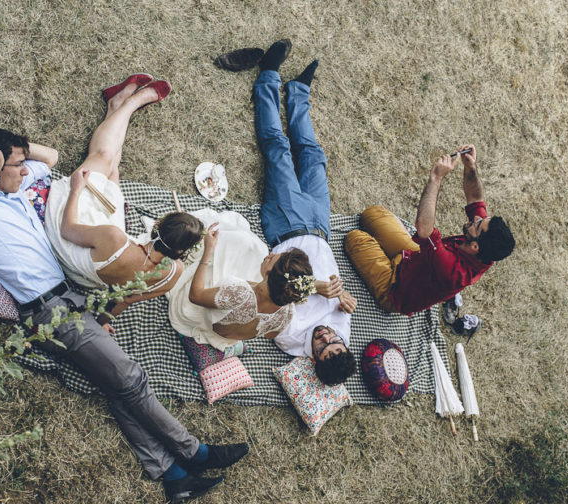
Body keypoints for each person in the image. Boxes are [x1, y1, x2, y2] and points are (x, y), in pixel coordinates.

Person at [0, 85, 248, 503]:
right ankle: (193, 450)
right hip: (47, 312)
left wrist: (20, 150)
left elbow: (47, 158)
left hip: (66, 301)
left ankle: (171, 474)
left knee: (116, 386)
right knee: (129, 377)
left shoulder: (11, 189)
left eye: (18, 163)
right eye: (15, 165)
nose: (23, 170)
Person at [42, 75, 203, 320]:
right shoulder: (173, 273)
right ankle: (116, 107)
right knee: (112, 174)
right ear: (184, 250)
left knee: (104, 156)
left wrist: (75, 189)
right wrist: (105, 321)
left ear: (157, 224)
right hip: (95, 272)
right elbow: (125, 298)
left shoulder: (115, 237)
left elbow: (67, 229)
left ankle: (130, 103)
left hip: (68, 245)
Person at [252, 41, 358, 386]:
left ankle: (267, 75)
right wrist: (344, 299)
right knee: (313, 155)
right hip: (320, 225)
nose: (327, 335)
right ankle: (298, 91)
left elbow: (271, 287)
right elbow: (340, 304)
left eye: (324, 346)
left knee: (278, 149)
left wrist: (315, 288)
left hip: (288, 228)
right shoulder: (342, 329)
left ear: (313, 359)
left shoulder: (290, 337)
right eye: (336, 341)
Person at [344, 145, 516, 316]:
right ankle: (391, 248)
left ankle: (383, 258)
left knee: (355, 238)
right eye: (482, 219)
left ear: (475, 247)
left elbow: (424, 230)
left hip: (395, 290)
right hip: (413, 257)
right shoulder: (485, 245)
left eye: (478, 224)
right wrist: (470, 166)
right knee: (373, 214)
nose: (476, 218)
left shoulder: (452, 271)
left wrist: (436, 178)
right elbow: (475, 198)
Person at [167, 207, 315, 352]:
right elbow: (270, 334)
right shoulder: (287, 313)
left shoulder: (240, 292)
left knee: (233, 241)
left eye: (272, 258)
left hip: (196, 316)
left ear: (270, 273)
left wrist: (208, 251)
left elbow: (195, 296)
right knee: (252, 247)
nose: (269, 254)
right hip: (226, 338)